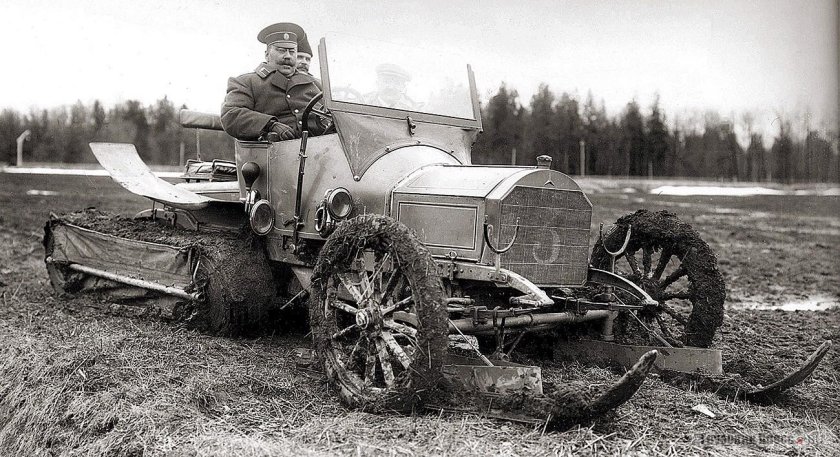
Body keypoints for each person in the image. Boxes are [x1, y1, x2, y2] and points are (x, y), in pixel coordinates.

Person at [220, 23, 321, 141]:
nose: (288, 56)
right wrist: (270, 125)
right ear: (267, 55)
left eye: (292, 51)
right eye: (281, 50)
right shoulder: (246, 82)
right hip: (273, 153)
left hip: (322, 149)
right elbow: (231, 114)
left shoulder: (315, 84)